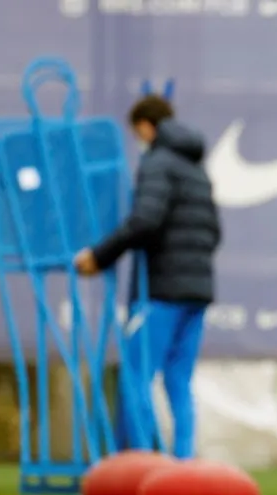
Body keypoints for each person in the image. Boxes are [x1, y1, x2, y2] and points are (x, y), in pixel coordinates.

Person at [74, 95, 221, 460]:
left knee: (136, 375)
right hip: (198, 290)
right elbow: (213, 232)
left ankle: (141, 461)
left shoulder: (157, 162)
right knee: (179, 381)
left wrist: (98, 255)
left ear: (144, 126)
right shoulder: (196, 168)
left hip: (161, 291)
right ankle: (183, 463)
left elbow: (144, 221)